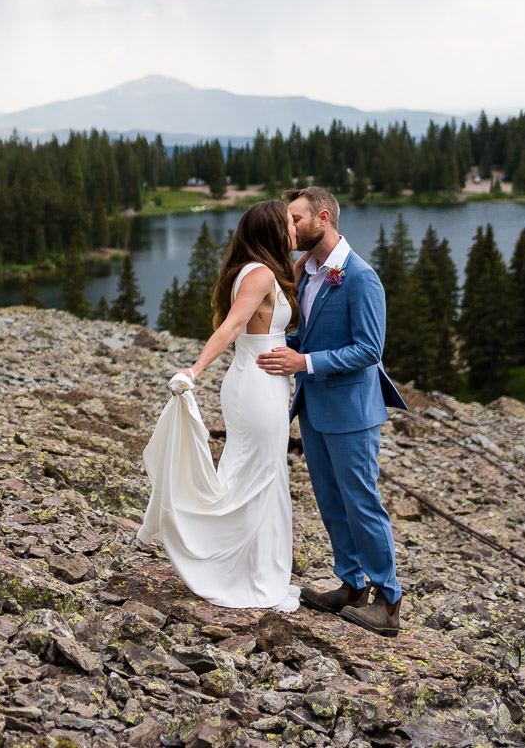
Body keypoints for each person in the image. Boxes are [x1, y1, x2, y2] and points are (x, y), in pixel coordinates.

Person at [257, 186, 410, 637]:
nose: (290, 226)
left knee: (362, 503)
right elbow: (305, 336)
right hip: (315, 408)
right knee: (330, 501)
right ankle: (351, 584)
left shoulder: (360, 277)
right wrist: (260, 348)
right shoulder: (307, 272)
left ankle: (389, 600)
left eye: (296, 218)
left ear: (323, 218)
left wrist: (303, 363)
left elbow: (369, 350)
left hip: (353, 412)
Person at [136, 200, 302, 611]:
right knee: (257, 475)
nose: (294, 230)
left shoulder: (263, 269)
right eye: (288, 224)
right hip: (257, 384)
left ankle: (257, 569)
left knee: (262, 473)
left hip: (266, 382)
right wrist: (194, 370)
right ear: (271, 232)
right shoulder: (260, 274)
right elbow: (231, 326)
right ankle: (236, 569)